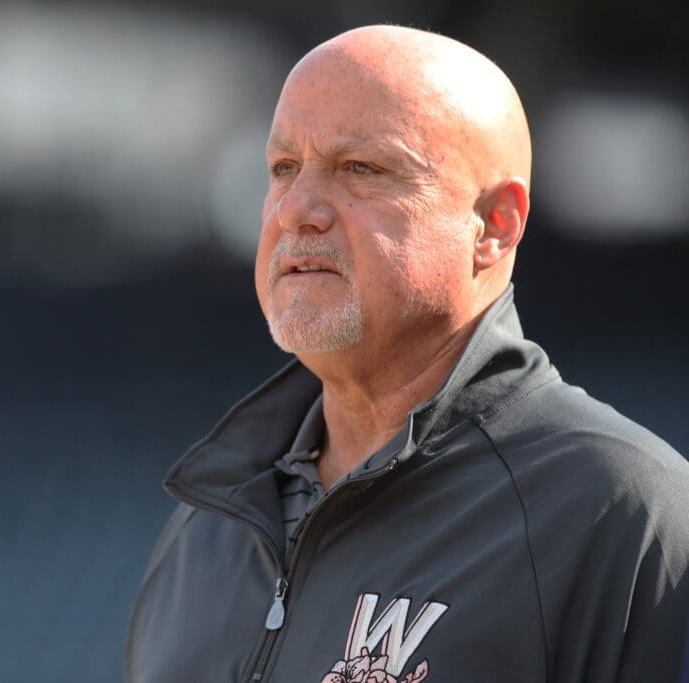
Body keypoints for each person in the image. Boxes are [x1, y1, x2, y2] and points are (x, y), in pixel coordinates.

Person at [125, 24, 689, 683]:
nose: (295, 209)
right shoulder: (203, 530)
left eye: (361, 169)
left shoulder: (624, 512)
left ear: (495, 223)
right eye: (282, 168)